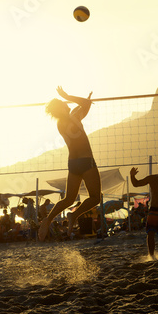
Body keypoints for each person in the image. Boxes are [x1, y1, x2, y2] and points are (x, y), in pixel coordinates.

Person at [38, 87, 101, 241]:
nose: (67, 103)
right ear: (61, 107)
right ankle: (74, 214)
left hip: (73, 163)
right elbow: (85, 104)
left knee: (68, 199)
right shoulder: (73, 116)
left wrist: (82, 103)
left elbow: (83, 106)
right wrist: (69, 96)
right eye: (63, 102)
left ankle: (49, 219)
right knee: (95, 198)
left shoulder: (60, 123)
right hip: (86, 161)